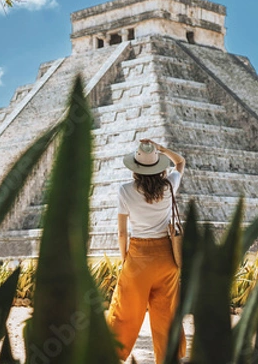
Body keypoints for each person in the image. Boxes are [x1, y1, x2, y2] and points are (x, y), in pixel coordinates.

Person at [106, 138, 187, 363]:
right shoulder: (170, 184)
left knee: (124, 311)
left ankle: (111, 353)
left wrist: (125, 260)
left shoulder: (125, 191)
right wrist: (162, 150)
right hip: (166, 259)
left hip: (138, 258)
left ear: (135, 168)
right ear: (159, 167)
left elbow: (122, 234)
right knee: (166, 314)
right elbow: (180, 162)